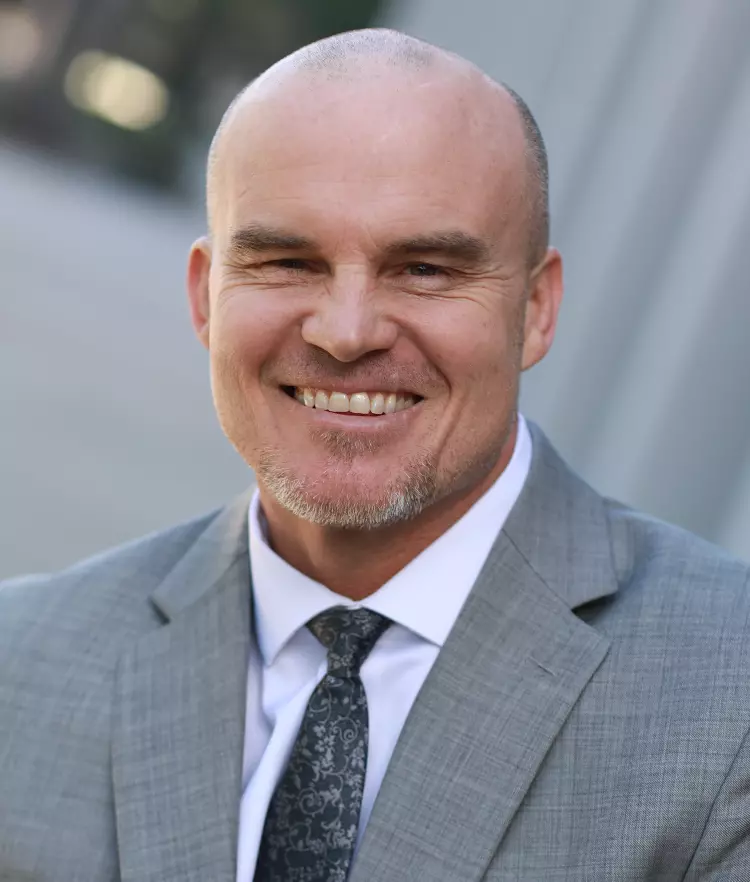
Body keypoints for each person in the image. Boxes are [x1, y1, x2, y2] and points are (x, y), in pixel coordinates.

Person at [1, 27, 750, 882]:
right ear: (206, 297)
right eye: (287, 262)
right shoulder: (21, 668)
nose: (347, 332)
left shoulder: (730, 704)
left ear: (537, 309)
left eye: (425, 269)